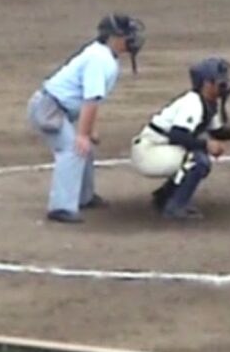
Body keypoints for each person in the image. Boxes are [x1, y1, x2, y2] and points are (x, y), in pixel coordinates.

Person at [27, 14, 146, 224]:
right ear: (113, 37)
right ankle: (61, 207)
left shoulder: (103, 55)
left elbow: (91, 99)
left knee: (85, 148)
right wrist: (82, 134)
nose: (132, 39)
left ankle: (84, 197)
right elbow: (91, 99)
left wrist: (89, 131)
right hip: (49, 109)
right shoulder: (99, 60)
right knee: (73, 149)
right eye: (127, 35)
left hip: (59, 108)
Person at [130, 58, 230, 220]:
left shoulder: (209, 103)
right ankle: (175, 207)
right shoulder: (193, 103)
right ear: (207, 83)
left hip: (159, 148)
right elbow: (177, 135)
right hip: (148, 152)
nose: (225, 86)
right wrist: (206, 145)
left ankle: (164, 197)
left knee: (197, 156)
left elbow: (219, 133)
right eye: (221, 82)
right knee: (198, 160)